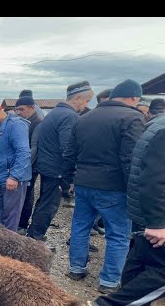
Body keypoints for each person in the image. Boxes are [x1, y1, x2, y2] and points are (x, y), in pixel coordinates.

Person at [87, 105, 165, 306]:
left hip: (146, 209)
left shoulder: (154, 126)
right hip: (156, 213)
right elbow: (155, 178)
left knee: (141, 259)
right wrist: (158, 221)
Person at [64, 79, 145, 293]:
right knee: (118, 234)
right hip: (114, 187)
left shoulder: (84, 118)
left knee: (80, 227)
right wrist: (134, 189)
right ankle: (109, 281)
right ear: (134, 97)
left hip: (83, 183)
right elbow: (130, 159)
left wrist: (71, 179)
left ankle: (76, 269)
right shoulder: (132, 117)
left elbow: (70, 153)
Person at [26, 82, 94, 243]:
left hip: (47, 165)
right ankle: (36, 238)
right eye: (86, 101)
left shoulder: (54, 113)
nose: (85, 106)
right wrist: (70, 177)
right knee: (49, 205)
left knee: (44, 201)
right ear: (77, 98)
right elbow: (68, 148)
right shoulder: (69, 116)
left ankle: (33, 233)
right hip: (57, 169)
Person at [0, 102, 31, 231]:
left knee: (10, 217)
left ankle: (8, 248)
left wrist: (15, 176)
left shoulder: (16, 126)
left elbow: (24, 152)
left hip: (11, 179)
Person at [15, 95, 44, 234]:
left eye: (22, 109)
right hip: (21, 165)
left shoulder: (37, 123)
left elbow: (34, 148)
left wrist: (22, 166)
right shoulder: (22, 122)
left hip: (29, 167)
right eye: (17, 110)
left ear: (32, 108)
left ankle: (22, 224)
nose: (19, 112)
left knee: (26, 195)